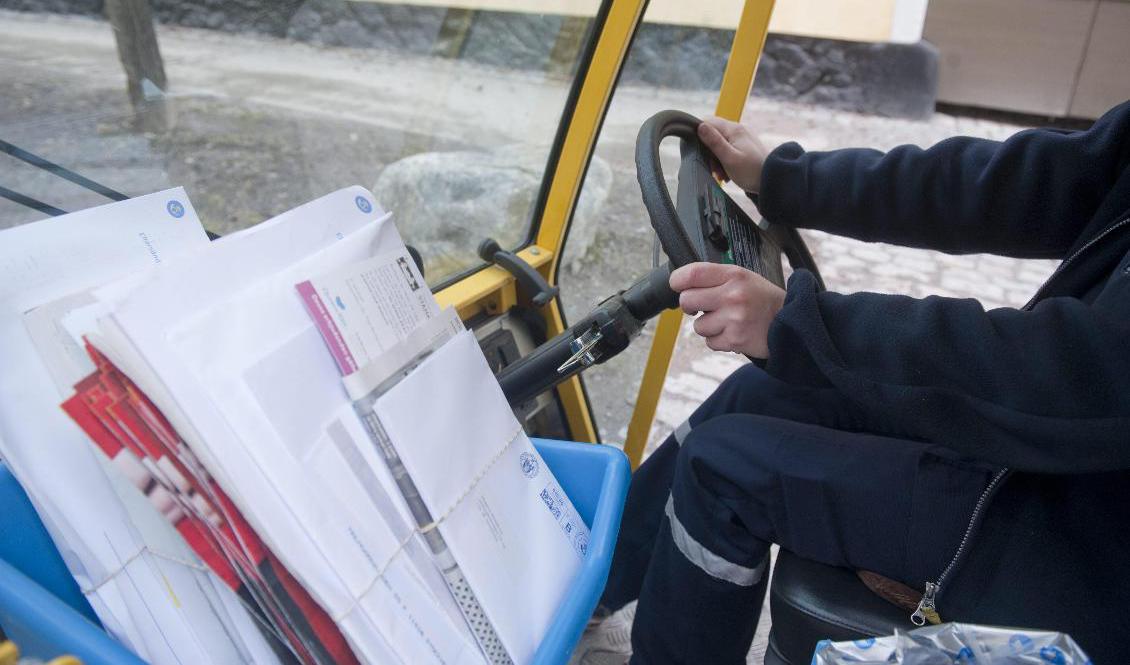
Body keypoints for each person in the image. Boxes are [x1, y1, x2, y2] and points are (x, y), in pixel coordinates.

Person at [573, 101, 1130, 664]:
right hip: (1055, 455)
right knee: (761, 393)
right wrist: (785, 179)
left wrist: (798, 324)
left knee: (722, 471)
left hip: (1078, 539)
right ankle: (585, 597)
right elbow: (1022, 181)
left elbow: (1084, 369)